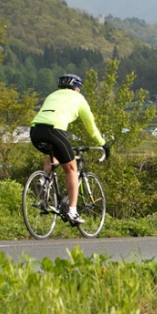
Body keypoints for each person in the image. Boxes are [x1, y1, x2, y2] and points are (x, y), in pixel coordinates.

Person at [30, 74, 109, 225]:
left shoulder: (52, 95)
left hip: (35, 131)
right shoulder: (79, 99)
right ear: (77, 88)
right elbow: (91, 127)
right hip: (55, 131)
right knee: (71, 169)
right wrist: (103, 143)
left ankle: (44, 180)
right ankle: (72, 210)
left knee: (53, 153)